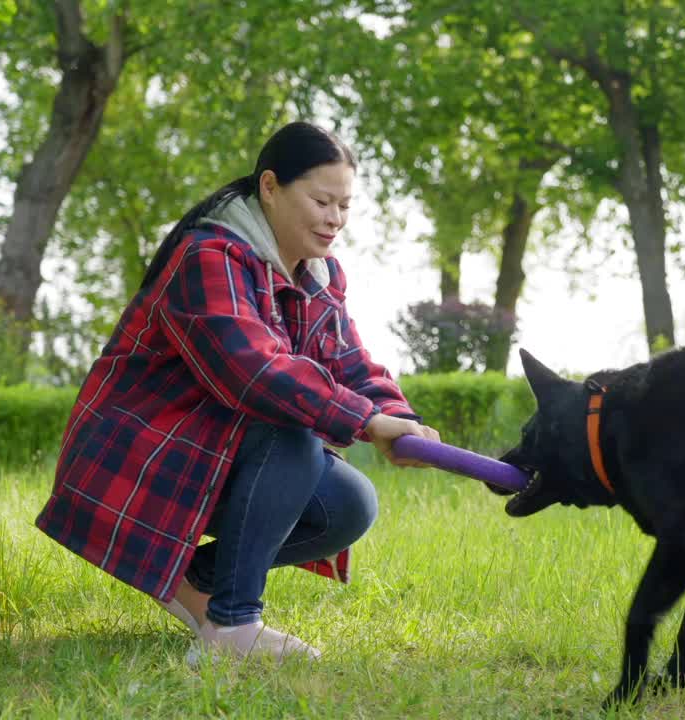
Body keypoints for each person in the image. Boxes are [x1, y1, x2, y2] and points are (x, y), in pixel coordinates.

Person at [35, 121, 440, 662]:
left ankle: (193, 582)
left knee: (348, 504)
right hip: (140, 456)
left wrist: (398, 417)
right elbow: (255, 372)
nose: (335, 219)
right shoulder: (209, 256)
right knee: (289, 432)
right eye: (322, 201)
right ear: (269, 186)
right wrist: (366, 422)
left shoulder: (320, 275)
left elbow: (348, 362)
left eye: (345, 206)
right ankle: (231, 626)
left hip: (211, 452)